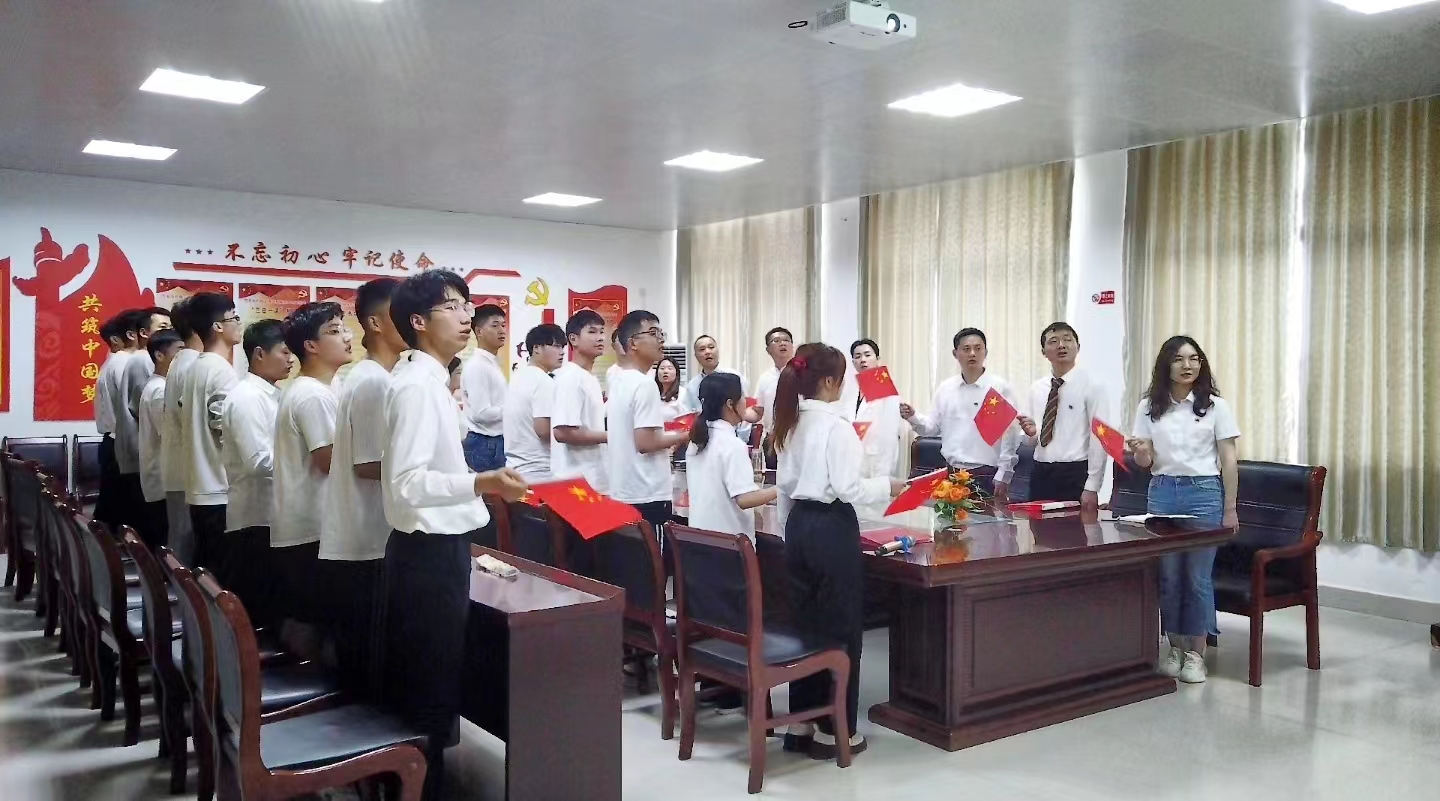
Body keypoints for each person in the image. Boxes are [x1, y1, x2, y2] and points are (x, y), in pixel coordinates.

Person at [380, 270, 528, 801]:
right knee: (430, 686)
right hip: (427, 553)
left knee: (437, 680)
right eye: (452, 307)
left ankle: (426, 783)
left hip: (434, 550)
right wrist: (481, 482)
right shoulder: (417, 387)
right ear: (418, 322)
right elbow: (406, 483)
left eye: (467, 305)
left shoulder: (432, 380)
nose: (466, 316)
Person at [773, 344, 904, 760]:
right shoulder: (836, 427)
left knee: (806, 626)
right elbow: (849, 489)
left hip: (798, 526)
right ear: (830, 381)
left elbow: (783, 488)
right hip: (831, 526)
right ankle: (836, 729)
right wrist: (888, 486)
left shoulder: (789, 422)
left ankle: (801, 722)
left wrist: (789, 532)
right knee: (840, 628)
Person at [1127, 336, 1240, 685]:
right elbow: (1145, 462)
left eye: (1194, 359)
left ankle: (1196, 654)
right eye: (1178, 359)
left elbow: (1229, 460)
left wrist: (1230, 508)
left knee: (1197, 578)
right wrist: (1140, 451)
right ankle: (1174, 648)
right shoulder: (1149, 407)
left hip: (1204, 493)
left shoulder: (1216, 407)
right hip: (1162, 493)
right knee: (1169, 576)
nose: (1187, 365)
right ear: (1166, 364)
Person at [319, 278, 407, 698]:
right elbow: (369, 465)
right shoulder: (373, 381)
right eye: (400, 312)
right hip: (366, 541)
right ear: (374, 323)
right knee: (367, 665)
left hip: (365, 537)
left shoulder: (373, 376)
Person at [271, 302, 350, 651]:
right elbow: (329, 461)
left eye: (344, 328)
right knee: (314, 624)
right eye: (334, 331)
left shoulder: (323, 389)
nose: (346, 337)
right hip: (311, 529)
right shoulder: (312, 395)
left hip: (312, 525)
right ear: (310, 346)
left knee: (313, 619)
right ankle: (305, 682)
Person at [219, 320, 291, 622]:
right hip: (255, 520)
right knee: (257, 614)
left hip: (270, 517)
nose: (291, 359)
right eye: (284, 352)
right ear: (260, 353)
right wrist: (305, 460)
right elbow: (258, 462)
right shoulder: (247, 398)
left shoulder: (272, 394)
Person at [900, 328, 1023, 500]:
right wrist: (913, 417)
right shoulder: (946, 388)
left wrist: (1004, 473)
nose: (972, 353)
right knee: (951, 518)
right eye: (966, 349)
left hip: (987, 474)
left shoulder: (998, 388)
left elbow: (1010, 435)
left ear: (985, 352)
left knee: (986, 518)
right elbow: (932, 428)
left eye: (978, 348)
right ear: (955, 353)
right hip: (952, 474)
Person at [606, 310, 687, 533]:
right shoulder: (645, 384)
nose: (660, 339)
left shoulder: (618, 379)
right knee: (652, 553)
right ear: (633, 343)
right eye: (653, 333)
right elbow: (646, 442)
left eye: (661, 333)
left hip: (623, 489)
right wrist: (685, 435)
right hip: (647, 493)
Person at [1017, 322, 1110, 510]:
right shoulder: (1037, 388)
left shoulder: (1093, 385)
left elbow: (1100, 438)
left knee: (1072, 528)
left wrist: (1093, 485)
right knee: (1038, 527)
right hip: (1040, 471)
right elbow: (1030, 441)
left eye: (1067, 340)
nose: (1061, 345)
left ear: (1078, 347)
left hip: (1074, 473)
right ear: (1044, 352)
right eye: (1053, 341)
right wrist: (1031, 433)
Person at [182, 293, 243, 573]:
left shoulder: (195, 366)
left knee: (205, 572)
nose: (239, 324)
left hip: (200, 485)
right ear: (218, 326)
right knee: (221, 575)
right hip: (219, 488)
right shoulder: (221, 371)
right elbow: (226, 431)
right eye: (234, 318)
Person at [686, 372, 777, 541]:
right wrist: (782, 488)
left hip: (699, 539)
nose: (745, 402)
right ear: (730, 404)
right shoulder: (732, 445)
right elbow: (745, 498)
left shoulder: (697, 440)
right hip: (727, 543)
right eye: (742, 397)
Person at [161, 298, 202, 564]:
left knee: (181, 546)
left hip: (182, 470)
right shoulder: (193, 365)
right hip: (191, 474)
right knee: (186, 553)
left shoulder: (182, 360)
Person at [550, 309, 609, 491]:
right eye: (592, 332)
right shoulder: (570, 377)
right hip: (575, 482)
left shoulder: (588, 377)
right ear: (573, 339)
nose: (600, 338)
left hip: (592, 478)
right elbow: (563, 432)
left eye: (602, 332)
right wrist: (615, 436)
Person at [137, 330, 184, 549]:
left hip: (161, 479)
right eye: (179, 351)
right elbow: (170, 435)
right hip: (162, 482)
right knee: (167, 544)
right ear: (159, 355)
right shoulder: (160, 390)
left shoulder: (158, 386)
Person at [503, 323, 566, 482]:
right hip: (539, 469)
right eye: (556, 346)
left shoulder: (518, 376)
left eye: (562, 347)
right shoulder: (543, 380)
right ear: (537, 348)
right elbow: (543, 430)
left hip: (515, 466)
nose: (562, 352)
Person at [460, 303, 508, 472]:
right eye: (495, 326)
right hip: (483, 444)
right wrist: (514, 409)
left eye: (503, 325)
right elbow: (481, 414)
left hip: (494, 442)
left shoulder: (490, 363)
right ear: (479, 331)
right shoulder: (478, 366)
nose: (502, 331)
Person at [92, 315, 128, 531]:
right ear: (116, 339)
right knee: (119, 514)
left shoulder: (113, 362)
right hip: (119, 443)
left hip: (112, 441)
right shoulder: (122, 362)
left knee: (111, 509)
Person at [850, 339, 903, 484]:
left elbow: (888, 434)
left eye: (867, 355)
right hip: (853, 456)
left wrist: (884, 470)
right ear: (853, 362)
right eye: (858, 356)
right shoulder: (851, 388)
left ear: (877, 359)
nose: (863, 360)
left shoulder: (884, 387)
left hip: (876, 460)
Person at [654, 356, 686, 423]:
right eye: (662, 368)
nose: (665, 371)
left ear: (676, 373)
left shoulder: (683, 393)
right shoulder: (652, 393)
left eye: (670, 368)